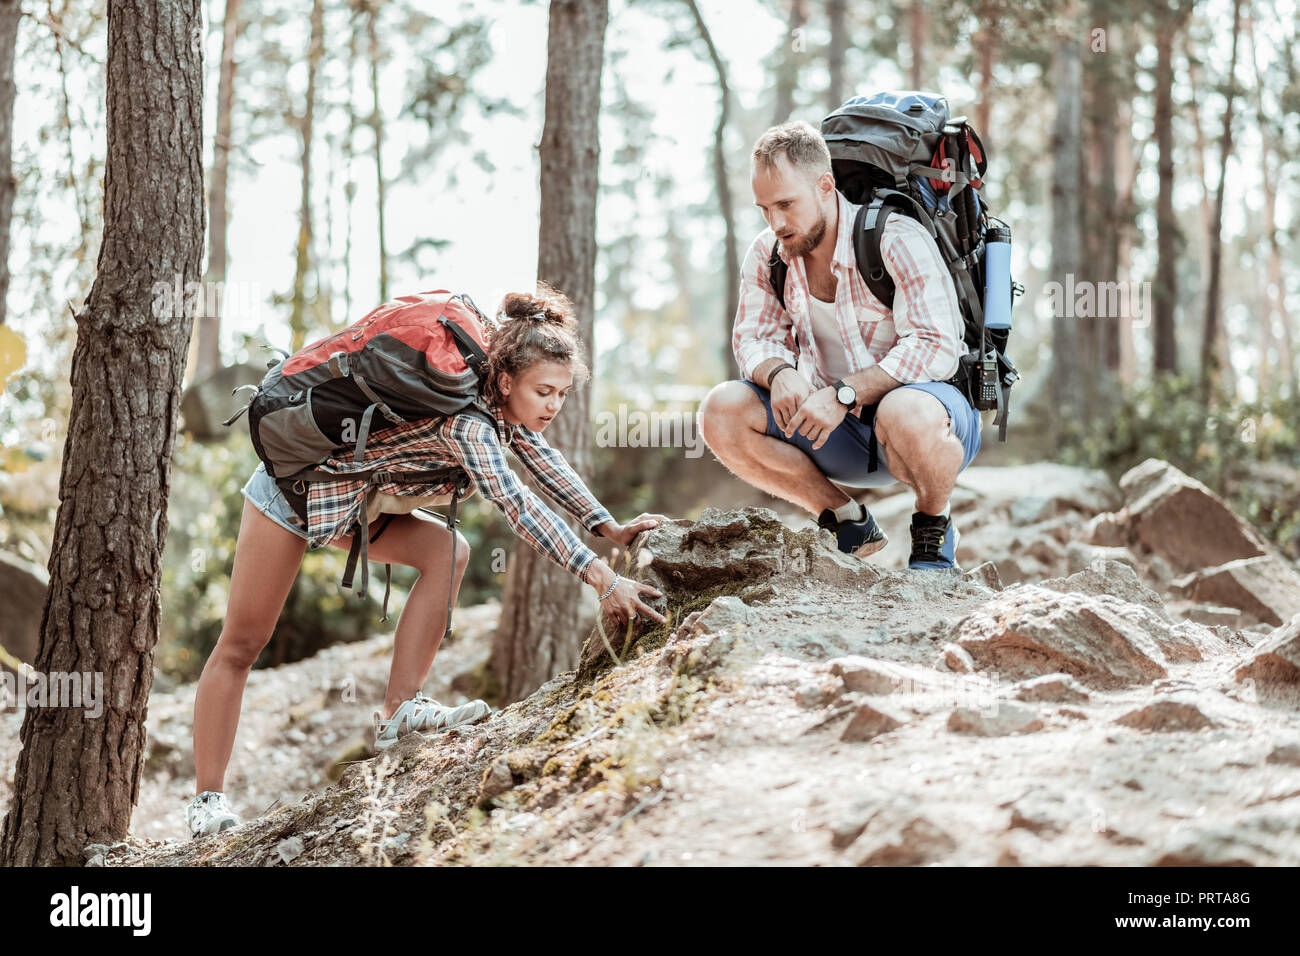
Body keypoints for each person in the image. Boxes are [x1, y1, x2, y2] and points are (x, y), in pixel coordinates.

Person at [186, 284, 667, 839]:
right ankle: (206, 802)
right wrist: (605, 580)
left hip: (353, 504)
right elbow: (518, 504)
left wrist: (607, 526)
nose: (554, 406)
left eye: (561, 393)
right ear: (507, 380)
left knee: (449, 552)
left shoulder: (501, 408)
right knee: (243, 643)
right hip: (292, 493)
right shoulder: (467, 423)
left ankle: (399, 711)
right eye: (544, 392)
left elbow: (545, 462)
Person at [699, 121, 981, 570]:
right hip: (835, 435)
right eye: (765, 209)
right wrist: (779, 372)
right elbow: (753, 336)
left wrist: (844, 393)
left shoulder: (895, 238)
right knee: (721, 409)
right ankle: (846, 518)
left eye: (787, 204)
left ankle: (933, 527)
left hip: (923, 422)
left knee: (902, 410)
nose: (776, 222)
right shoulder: (767, 253)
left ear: (825, 186)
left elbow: (936, 345)